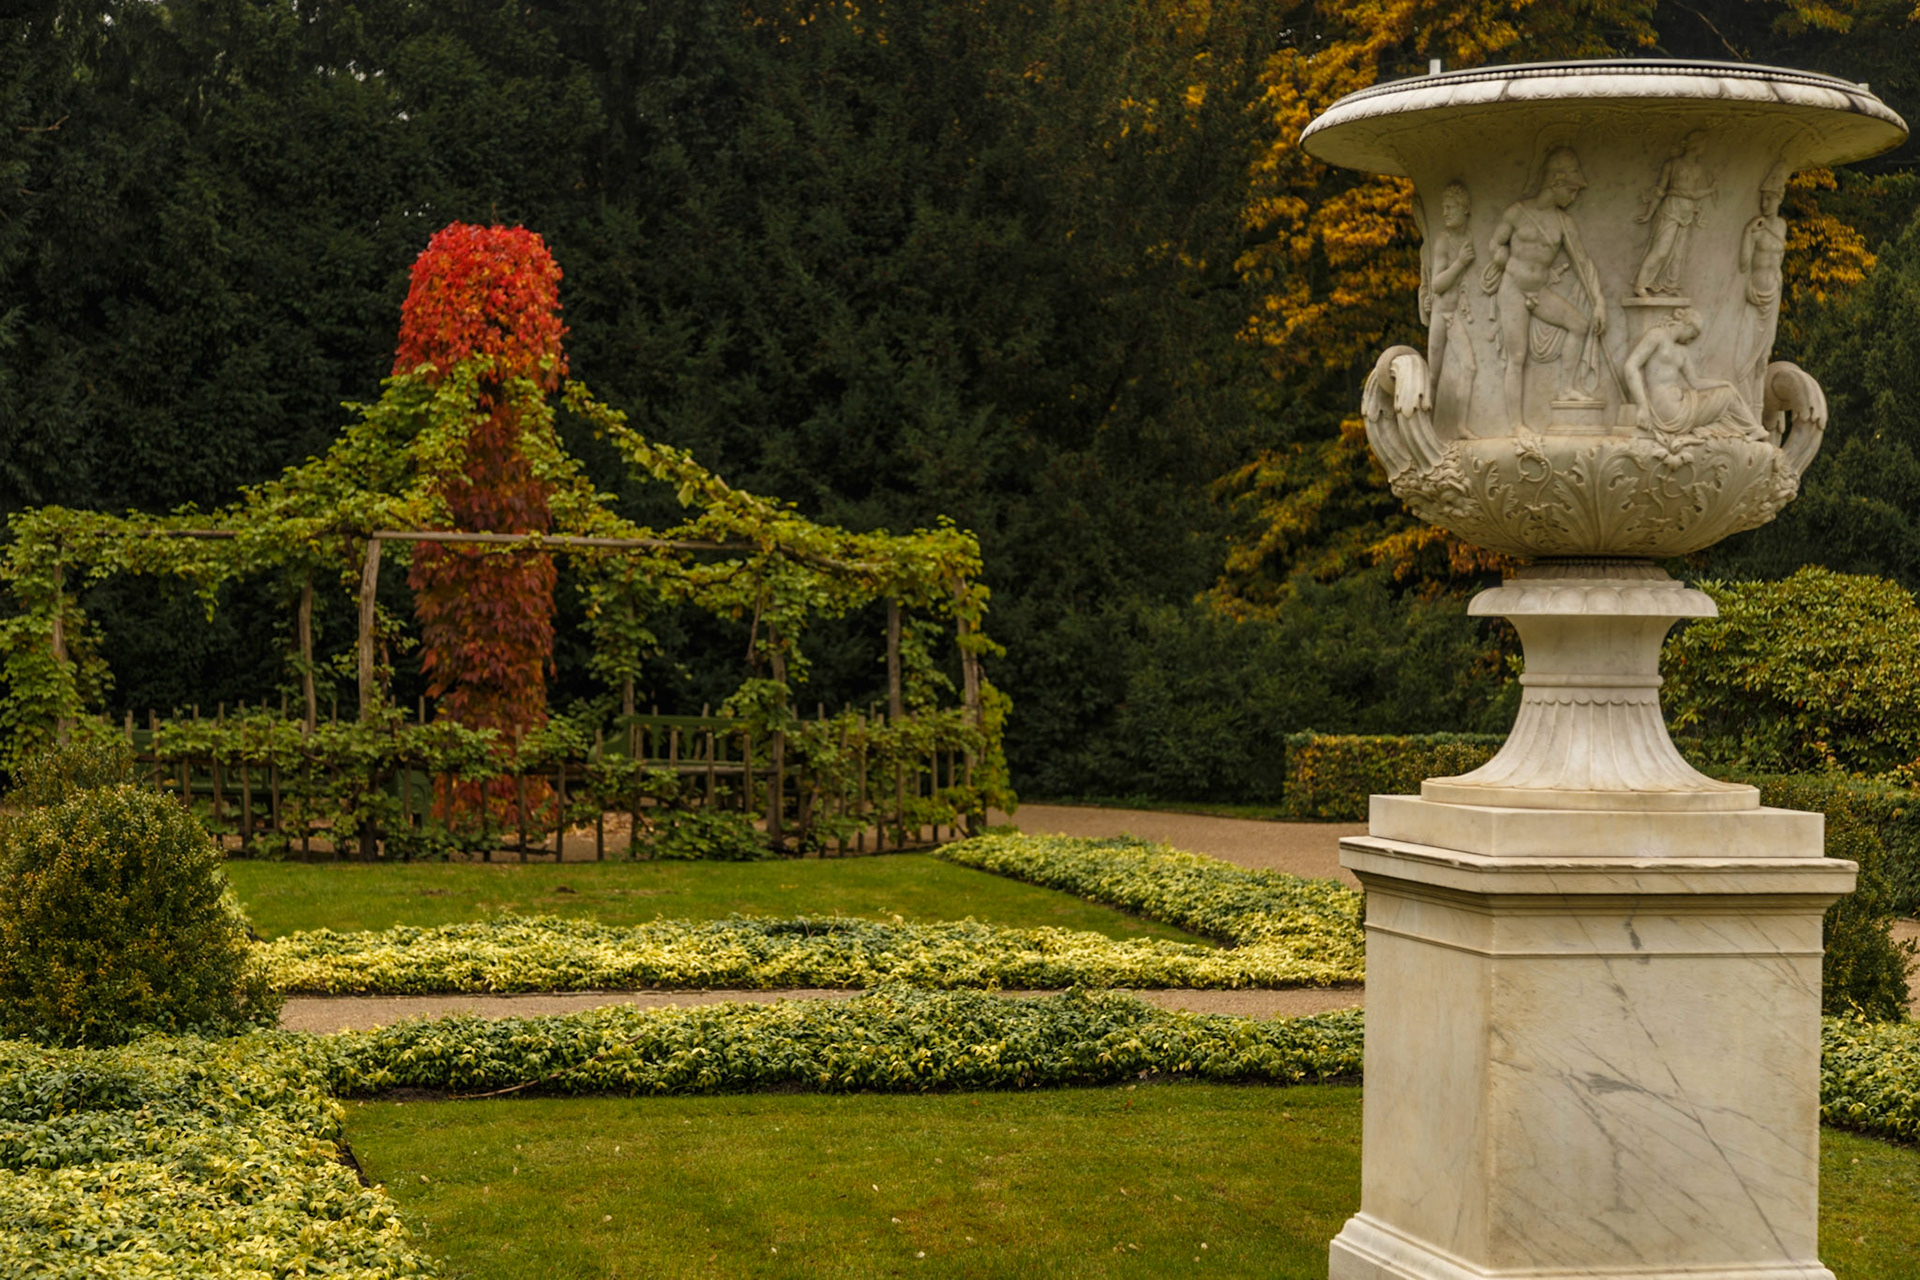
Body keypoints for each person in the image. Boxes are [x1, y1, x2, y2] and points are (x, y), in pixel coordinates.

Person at [1481, 148, 1606, 427]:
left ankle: (1566, 388)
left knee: (1579, 324)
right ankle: (1516, 426)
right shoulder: (1517, 212)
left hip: (1539, 292)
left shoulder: (1564, 222)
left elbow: (1583, 264)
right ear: (1556, 182)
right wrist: (1502, 258)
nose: (1573, 197)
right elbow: (1495, 243)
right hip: (1513, 288)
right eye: (1571, 190)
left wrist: (1599, 303)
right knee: (1517, 356)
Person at [1623, 308, 1767, 444]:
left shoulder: (1682, 351)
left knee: (1728, 391)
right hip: (1668, 411)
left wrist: (1723, 383)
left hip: (1682, 405)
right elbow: (1631, 366)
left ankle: (1754, 429)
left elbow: (1695, 382)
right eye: (1694, 334)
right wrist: (1643, 407)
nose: (1692, 340)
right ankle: (1754, 429)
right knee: (1728, 396)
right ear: (1687, 324)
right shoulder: (1657, 335)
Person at [1633, 133, 1716, 297]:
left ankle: (1670, 287)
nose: (1704, 148)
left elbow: (1693, 193)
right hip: (1671, 209)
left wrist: (1708, 192)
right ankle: (1640, 284)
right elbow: (1660, 191)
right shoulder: (1672, 165)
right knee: (1661, 249)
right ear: (1694, 145)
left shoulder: (1698, 168)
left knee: (1678, 253)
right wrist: (1649, 214)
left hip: (1687, 213)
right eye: (1702, 143)